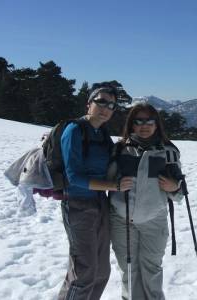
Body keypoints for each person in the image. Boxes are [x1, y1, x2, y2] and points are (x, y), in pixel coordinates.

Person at [58, 86, 133, 300]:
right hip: (77, 204)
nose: (106, 108)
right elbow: (74, 178)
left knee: (101, 272)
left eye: (111, 105)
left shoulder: (102, 134)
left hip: (100, 204)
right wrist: (114, 187)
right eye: (101, 102)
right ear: (88, 103)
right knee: (84, 271)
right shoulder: (75, 130)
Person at [108, 103, 183, 300]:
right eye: (138, 121)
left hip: (154, 219)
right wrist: (115, 184)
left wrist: (174, 187)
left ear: (156, 124)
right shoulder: (119, 149)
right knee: (128, 269)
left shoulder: (169, 151)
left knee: (152, 269)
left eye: (149, 121)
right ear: (131, 125)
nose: (144, 125)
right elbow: (105, 180)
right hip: (121, 219)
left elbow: (181, 191)